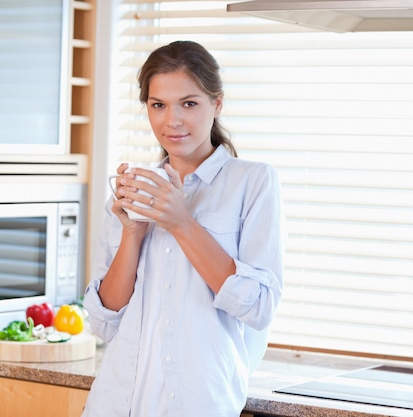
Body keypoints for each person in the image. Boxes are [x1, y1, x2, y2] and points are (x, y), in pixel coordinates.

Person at [82, 40, 284, 417]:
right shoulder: (137, 187)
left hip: (199, 403)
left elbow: (258, 306)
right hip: (115, 403)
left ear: (217, 104)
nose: (172, 120)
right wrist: (133, 232)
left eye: (188, 103)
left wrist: (181, 222)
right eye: (158, 105)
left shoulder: (253, 182)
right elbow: (105, 322)